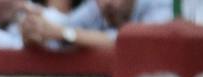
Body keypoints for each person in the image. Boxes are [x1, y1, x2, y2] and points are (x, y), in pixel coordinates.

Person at [20, 0, 174, 51]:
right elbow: (62, 29)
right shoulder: (96, 7)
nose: (107, 3)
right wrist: (36, 33)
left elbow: (126, 42)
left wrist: (63, 34)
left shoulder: (158, 4)